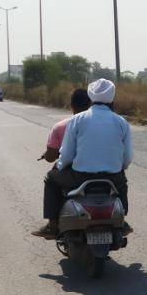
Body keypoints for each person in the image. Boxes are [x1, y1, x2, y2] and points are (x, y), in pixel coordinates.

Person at [32, 78, 133, 239]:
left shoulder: (77, 120)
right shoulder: (121, 122)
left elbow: (66, 154)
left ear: (91, 96)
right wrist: (119, 168)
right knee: (123, 183)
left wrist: (59, 166)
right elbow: (127, 158)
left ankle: (52, 225)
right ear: (112, 98)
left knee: (51, 178)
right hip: (113, 178)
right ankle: (122, 222)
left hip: (80, 178)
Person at [40, 88, 91, 163]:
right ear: (90, 105)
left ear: (71, 105)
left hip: (72, 170)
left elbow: (50, 157)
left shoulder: (59, 127)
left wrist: (47, 154)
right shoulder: (99, 126)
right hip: (99, 169)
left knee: (52, 174)